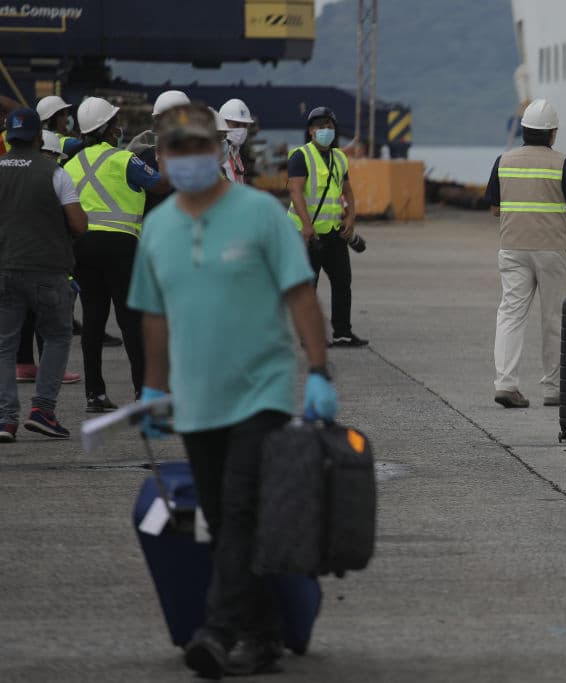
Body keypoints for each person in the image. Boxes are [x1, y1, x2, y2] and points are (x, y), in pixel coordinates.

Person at [128, 103, 338, 678]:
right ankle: (266, 633)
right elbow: (154, 315)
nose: (191, 158)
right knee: (224, 518)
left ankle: (218, 632)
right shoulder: (159, 229)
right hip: (197, 399)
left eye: (201, 146)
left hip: (260, 390)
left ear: (217, 150)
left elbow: (299, 294)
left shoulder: (259, 215)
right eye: (178, 150)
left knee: (242, 507)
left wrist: (318, 371)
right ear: (163, 161)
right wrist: (153, 386)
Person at [64, 96, 170, 413]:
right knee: (130, 320)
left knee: (93, 321)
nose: (119, 129)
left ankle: (94, 395)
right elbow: (160, 186)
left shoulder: (70, 165)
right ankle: (143, 395)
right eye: (115, 123)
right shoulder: (123, 159)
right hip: (120, 246)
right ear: (108, 129)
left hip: (81, 247)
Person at [484, 99, 566, 408]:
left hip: (513, 247)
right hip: (551, 250)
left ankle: (506, 383)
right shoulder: (563, 163)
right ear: (553, 133)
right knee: (553, 318)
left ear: (524, 130)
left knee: (510, 315)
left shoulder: (503, 161)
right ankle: (553, 388)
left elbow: (494, 208)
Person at [0, 108, 88, 441]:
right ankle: (43, 411)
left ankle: (5, 420)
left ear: (8, 136)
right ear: (38, 137)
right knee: (56, 336)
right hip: (48, 270)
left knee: (4, 347)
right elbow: (79, 224)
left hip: (4, 269)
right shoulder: (55, 172)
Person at [286, 106, 368, 347]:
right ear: (311, 131)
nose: (325, 131)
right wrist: (307, 226)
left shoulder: (340, 157)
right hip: (308, 235)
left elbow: (348, 192)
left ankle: (342, 332)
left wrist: (350, 219)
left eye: (329, 127)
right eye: (320, 127)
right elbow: (295, 191)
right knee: (308, 287)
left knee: (342, 282)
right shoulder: (301, 156)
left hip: (333, 233)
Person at [15, 131, 83, 386]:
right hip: (46, 258)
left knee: (24, 313)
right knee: (51, 314)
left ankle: (23, 365)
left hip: (15, 257)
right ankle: (48, 368)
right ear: (51, 154)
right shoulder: (54, 177)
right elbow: (75, 223)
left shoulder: (14, 175)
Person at [218, 98, 254, 184]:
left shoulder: (236, 152)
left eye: (245, 125)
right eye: (236, 124)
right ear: (223, 123)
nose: (241, 130)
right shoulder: (216, 154)